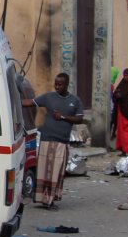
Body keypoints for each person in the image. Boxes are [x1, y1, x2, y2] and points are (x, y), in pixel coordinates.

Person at [22, 72, 84, 210]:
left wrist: (62, 117)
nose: (57, 87)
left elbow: (79, 119)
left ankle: (50, 199)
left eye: (60, 84)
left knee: (56, 172)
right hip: (46, 139)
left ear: (67, 84)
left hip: (61, 142)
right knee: (44, 170)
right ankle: (42, 199)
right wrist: (11, 99)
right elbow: (30, 103)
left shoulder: (75, 101)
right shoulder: (48, 97)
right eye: (56, 84)